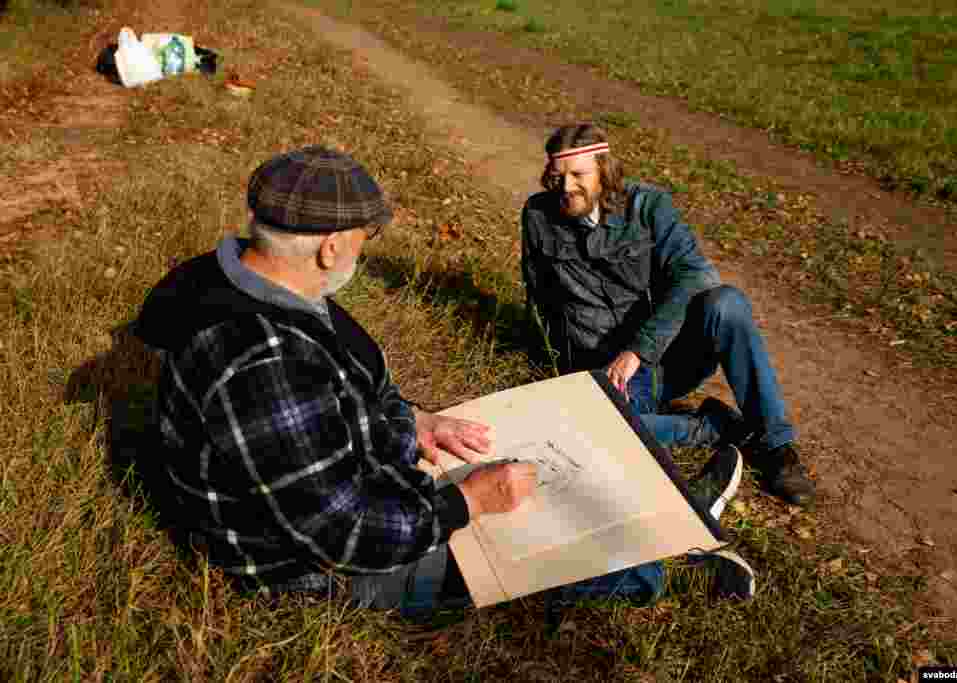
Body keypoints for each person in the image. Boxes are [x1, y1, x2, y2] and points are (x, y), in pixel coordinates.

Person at [135, 146, 753, 622]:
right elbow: (343, 534)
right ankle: (680, 539)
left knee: (520, 473)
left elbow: (339, 397)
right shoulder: (261, 363)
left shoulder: (253, 280)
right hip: (313, 572)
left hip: (346, 486)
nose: (361, 252)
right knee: (612, 564)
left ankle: (665, 500)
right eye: (361, 240)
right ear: (329, 248)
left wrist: (413, 422)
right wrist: (470, 503)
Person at [521, 124, 816, 507]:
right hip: (601, 368)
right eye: (558, 176)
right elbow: (538, 295)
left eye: (579, 175)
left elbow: (696, 273)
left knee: (726, 303)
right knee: (591, 430)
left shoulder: (648, 206)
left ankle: (776, 447)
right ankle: (713, 428)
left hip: (666, 355)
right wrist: (558, 370)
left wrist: (639, 350)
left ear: (604, 171)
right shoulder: (537, 216)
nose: (565, 187)